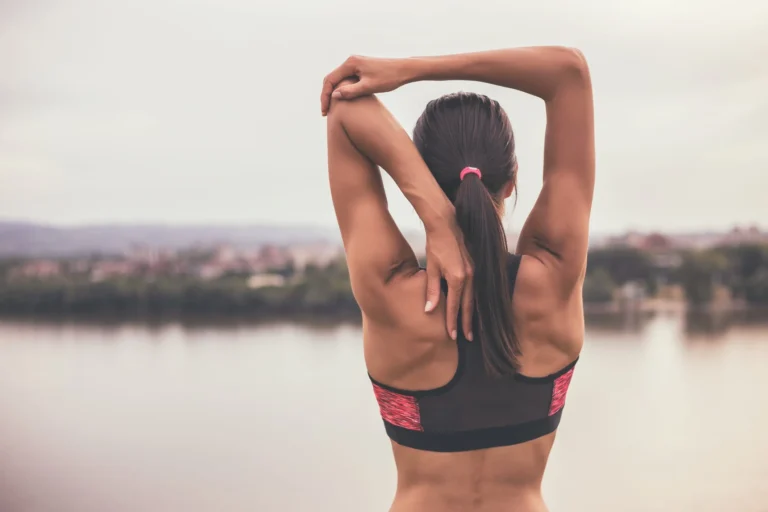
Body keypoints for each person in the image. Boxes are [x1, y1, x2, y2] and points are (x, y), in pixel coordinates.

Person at [320, 46, 594, 512]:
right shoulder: (554, 277)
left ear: (423, 177)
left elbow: (346, 107)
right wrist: (413, 69)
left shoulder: (392, 293)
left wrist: (433, 213)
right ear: (511, 181)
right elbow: (569, 72)